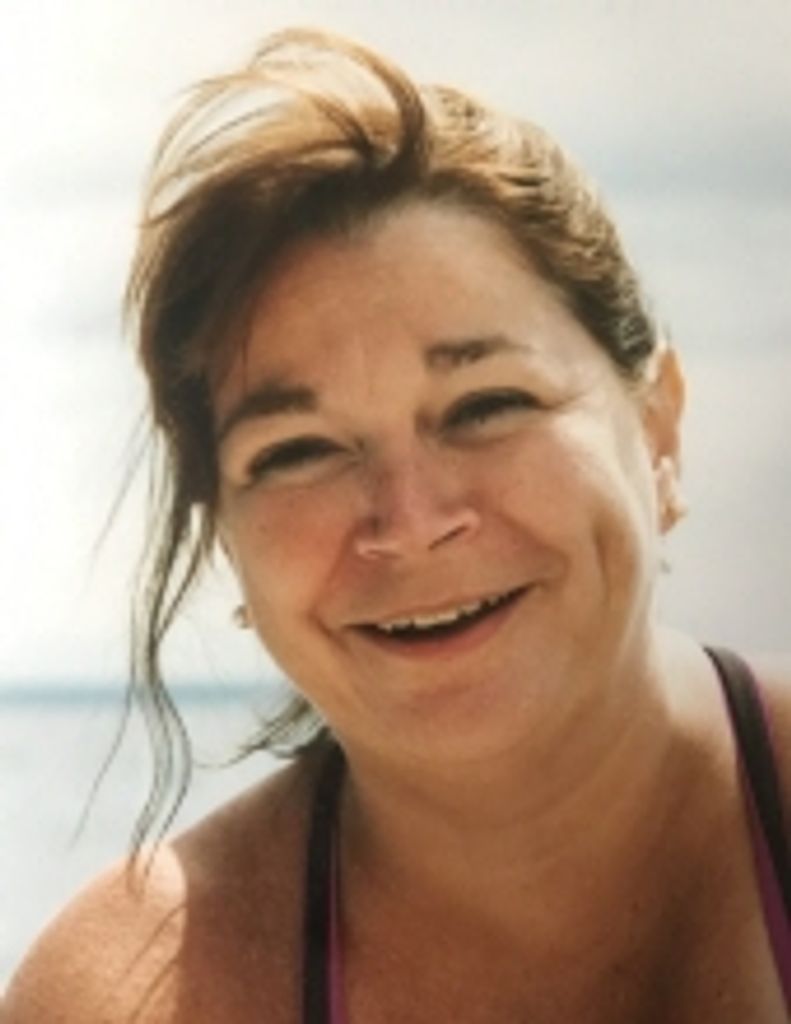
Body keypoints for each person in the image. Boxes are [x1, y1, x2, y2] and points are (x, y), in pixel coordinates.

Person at [5, 26, 790, 1023]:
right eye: (297, 452)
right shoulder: (130, 997)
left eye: (486, 405)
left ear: (656, 427)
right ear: (226, 539)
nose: (410, 523)